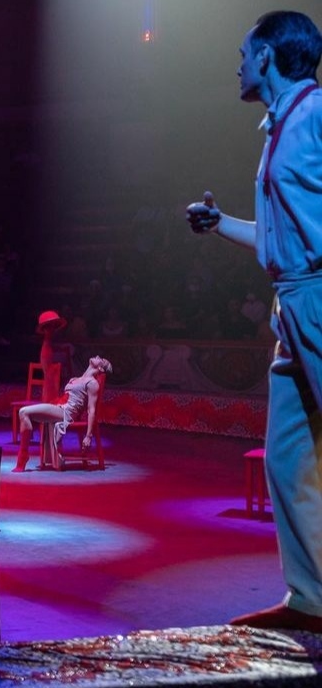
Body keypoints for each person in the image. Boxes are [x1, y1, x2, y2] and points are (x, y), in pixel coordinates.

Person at [185, 11, 322, 633]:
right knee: (287, 458)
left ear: (267, 56)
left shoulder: (315, 113)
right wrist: (220, 227)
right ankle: (311, 600)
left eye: (244, 53)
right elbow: (274, 238)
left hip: (316, 294)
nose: (237, 64)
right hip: (290, 300)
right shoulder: (278, 127)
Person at [14, 355, 112, 472]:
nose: (97, 356)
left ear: (100, 368)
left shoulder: (92, 383)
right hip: (59, 407)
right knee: (24, 413)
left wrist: (88, 436)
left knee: (24, 411)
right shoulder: (76, 379)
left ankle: (23, 456)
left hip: (67, 413)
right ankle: (23, 454)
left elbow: (91, 410)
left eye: (101, 359)